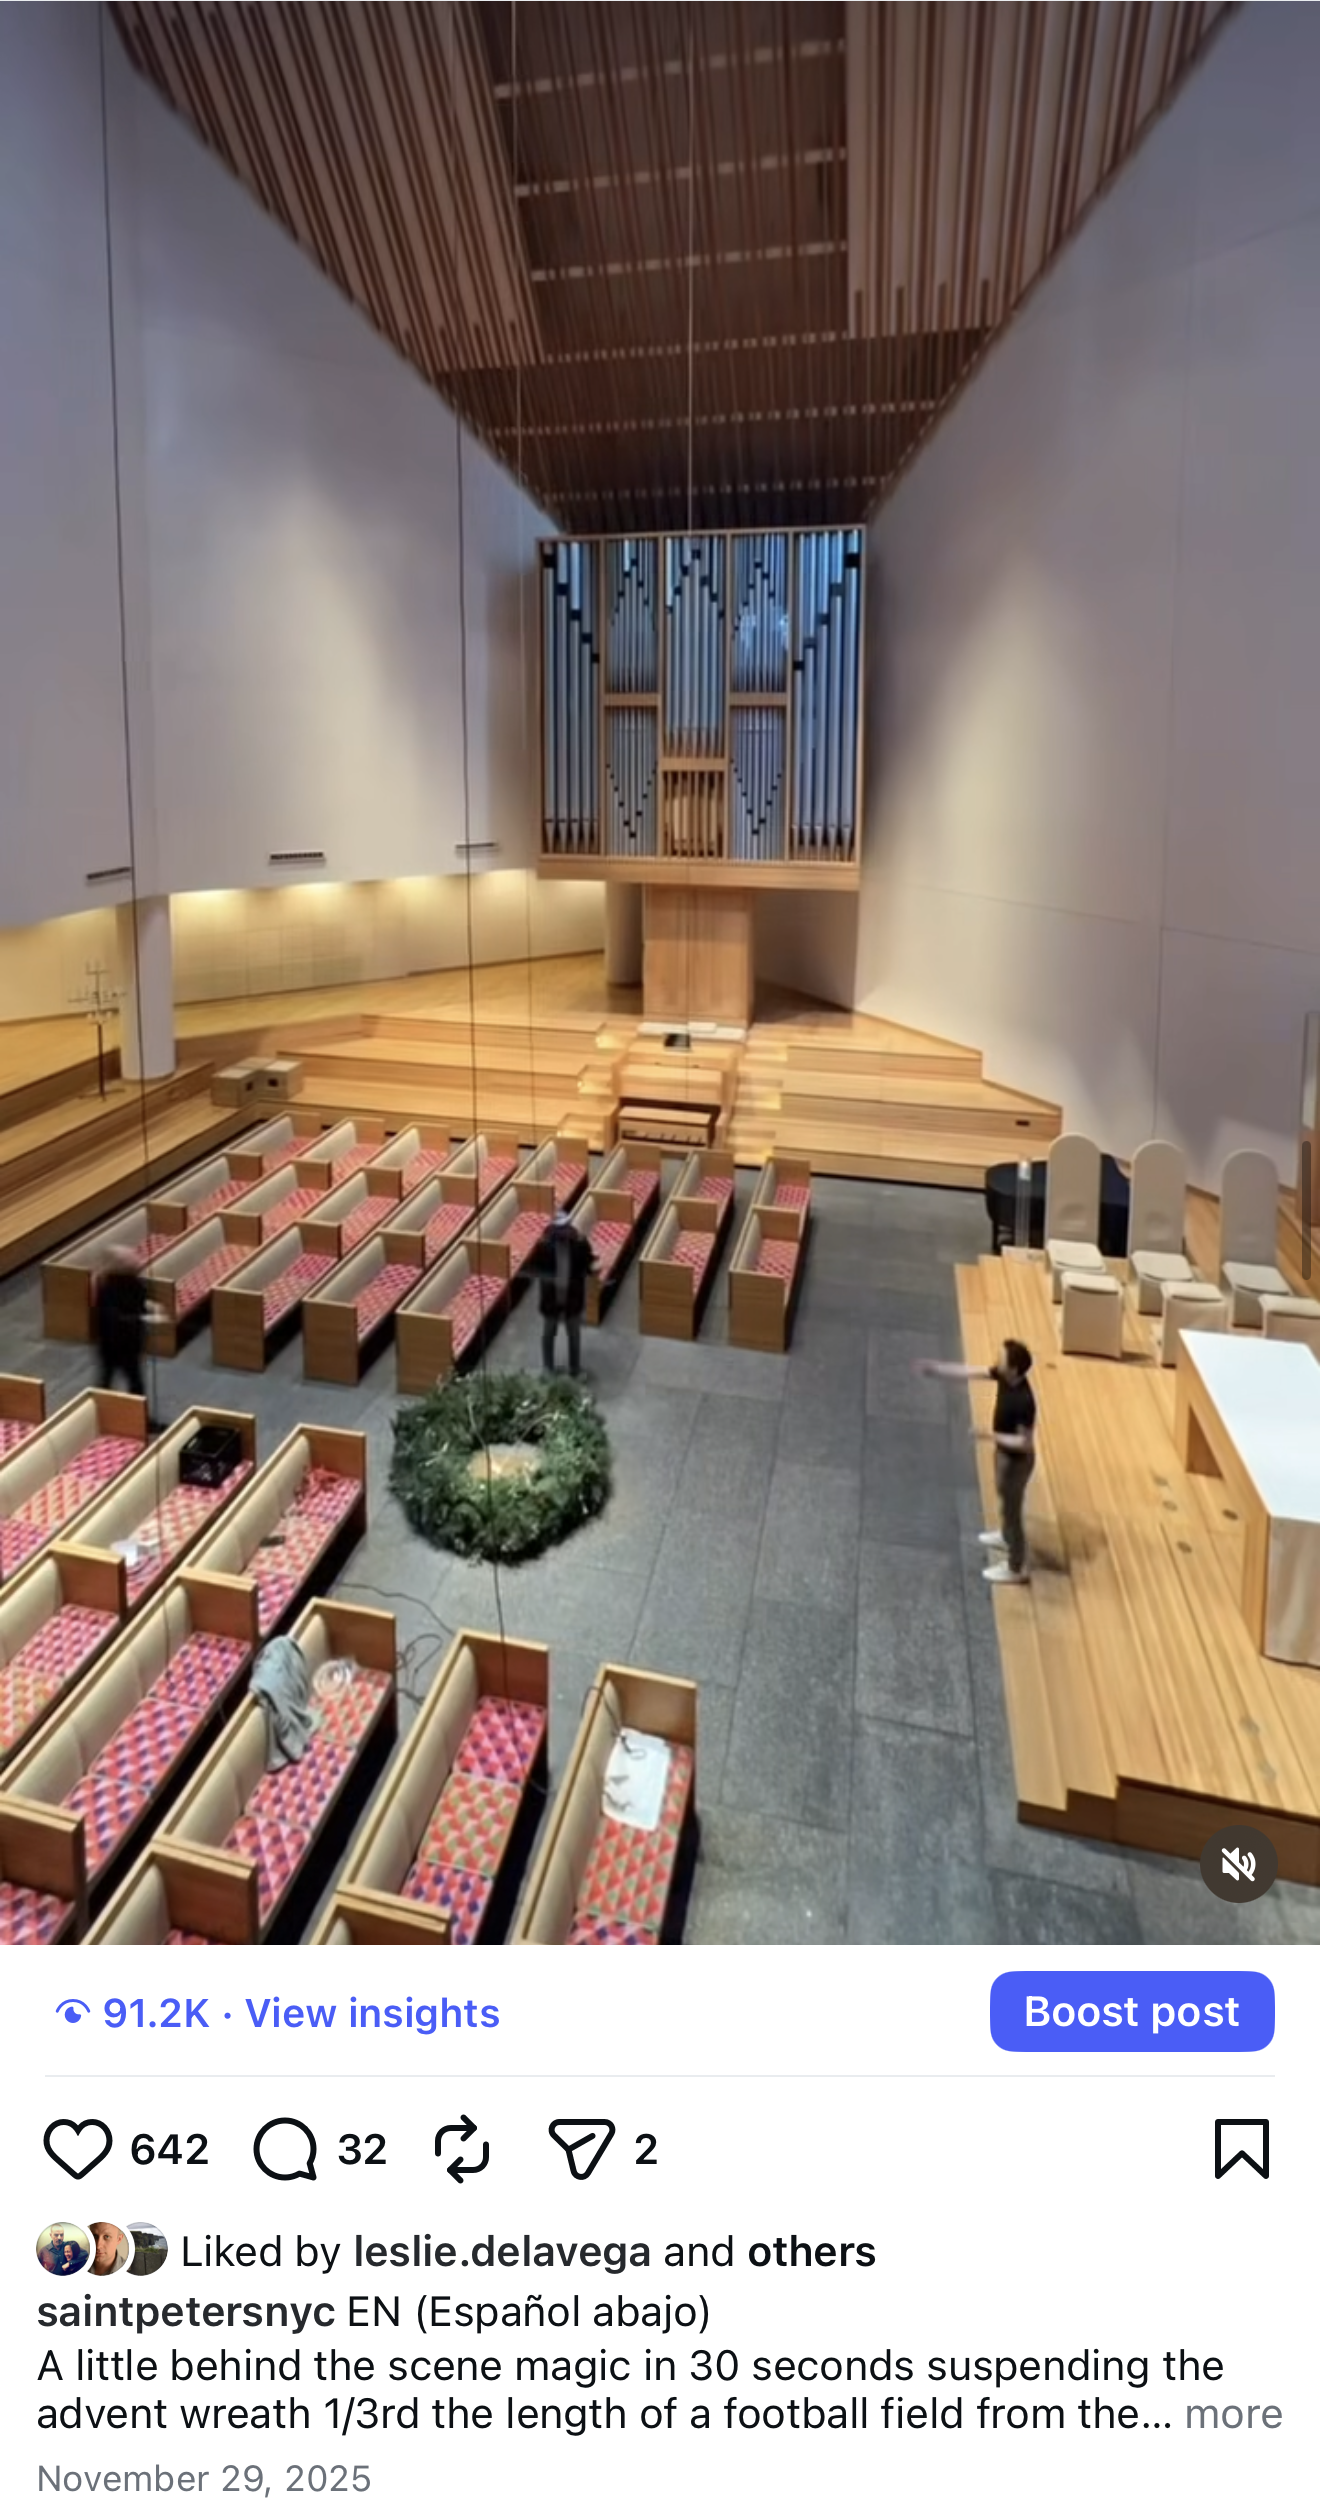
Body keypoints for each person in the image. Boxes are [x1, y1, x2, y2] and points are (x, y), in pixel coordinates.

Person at [914, 1337, 1037, 1585]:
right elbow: (971, 1371)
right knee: (1005, 1500)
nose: (996, 1360)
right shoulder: (1004, 1376)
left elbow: (1025, 1443)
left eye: (1001, 1359)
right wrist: (938, 1369)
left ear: (1014, 1369)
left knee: (1013, 1512)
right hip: (1003, 1455)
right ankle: (1006, 1536)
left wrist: (988, 1435)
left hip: (1017, 1463)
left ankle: (1016, 1567)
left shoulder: (1024, 1401)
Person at [92, 1246, 165, 1421]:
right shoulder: (107, 1287)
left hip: (132, 1343)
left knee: (133, 1382)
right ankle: (99, 1415)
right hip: (113, 1343)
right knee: (109, 1380)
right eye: (130, 1261)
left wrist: (151, 1306)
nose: (136, 1263)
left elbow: (139, 1300)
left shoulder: (134, 1282)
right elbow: (112, 1318)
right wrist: (143, 1318)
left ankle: (140, 1419)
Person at [534, 1209, 596, 1377]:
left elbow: (588, 1263)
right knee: (550, 1334)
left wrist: (593, 1269)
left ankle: (572, 1369)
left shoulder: (579, 1244)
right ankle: (549, 1369)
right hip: (552, 1297)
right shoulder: (544, 1246)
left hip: (571, 1296)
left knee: (572, 1335)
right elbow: (537, 1268)